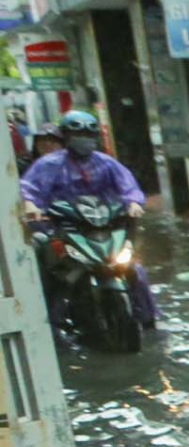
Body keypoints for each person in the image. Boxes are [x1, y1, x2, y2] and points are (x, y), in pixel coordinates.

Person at [21, 110, 160, 331]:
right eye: (78, 135)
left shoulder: (106, 163)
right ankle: (49, 324)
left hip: (103, 226)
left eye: (88, 135)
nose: (84, 140)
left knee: (134, 269)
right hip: (64, 227)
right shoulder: (49, 164)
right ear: (66, 137)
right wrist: (31, 205)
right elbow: (30, 189)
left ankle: (148, 317)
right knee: (49, 268)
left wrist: (134, 203)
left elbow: (129, 187)